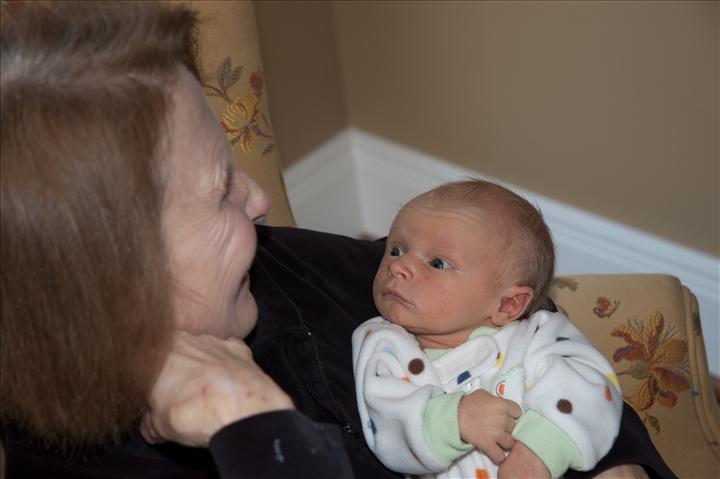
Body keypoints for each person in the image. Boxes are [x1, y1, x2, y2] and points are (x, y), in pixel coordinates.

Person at [0, 2, 676, 478]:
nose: (258, 200)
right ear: (122, 273)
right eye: (221, 190)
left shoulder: (284, 266)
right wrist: (255, 427)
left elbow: (508, 303)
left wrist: (612, 459)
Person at [352, 181, 623, 479]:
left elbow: (591, 387)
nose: (398, 266)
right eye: (396, 249)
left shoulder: (536, 336)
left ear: (508, 305)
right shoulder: (382, 343)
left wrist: (541, 449)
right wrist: (455, 420)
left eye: (438, 263)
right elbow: (386, 424)